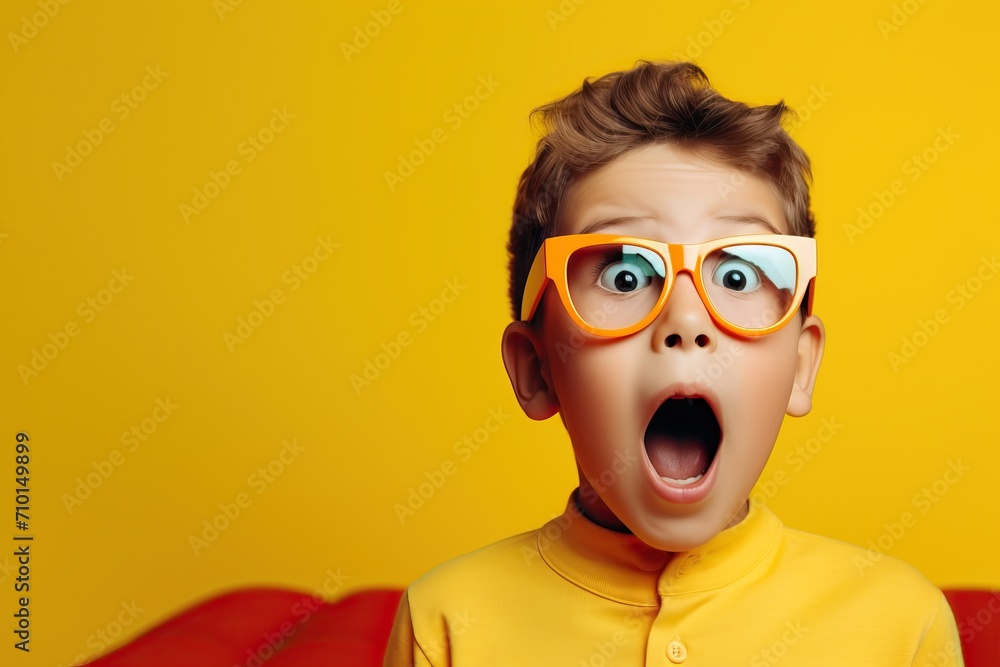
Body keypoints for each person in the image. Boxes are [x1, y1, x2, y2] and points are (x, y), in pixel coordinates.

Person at [383, 60, 963, 666]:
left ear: (800, 364)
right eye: (625, 274)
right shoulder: (447, 621)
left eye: (737, 274)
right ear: (536, 368)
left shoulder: (900, 624)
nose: (686, 321)